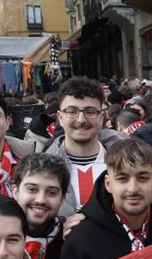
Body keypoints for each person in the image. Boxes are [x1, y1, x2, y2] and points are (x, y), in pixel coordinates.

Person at [42, 77, 124, 211]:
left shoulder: (125, 163)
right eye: (72, 111)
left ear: (102, 117)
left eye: (90, 112)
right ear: (60, 117)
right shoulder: (41, 169)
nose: (81, 120)